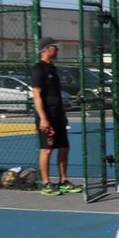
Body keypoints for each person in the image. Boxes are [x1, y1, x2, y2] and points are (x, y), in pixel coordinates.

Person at [31, 37, 81, 196]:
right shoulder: (38, 69)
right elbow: (37, 95)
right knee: (47, 150)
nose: (57, 49)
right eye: (55, 47)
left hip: (59, 115)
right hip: (47, 117)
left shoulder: (53, 68)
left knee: (64, 148)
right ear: (46, 49)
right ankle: (46, 183)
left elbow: (56, 95)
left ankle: (63, 181)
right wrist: (44, 118)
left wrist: (63, 114)